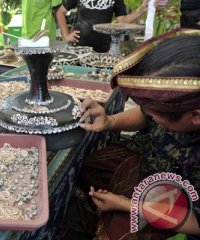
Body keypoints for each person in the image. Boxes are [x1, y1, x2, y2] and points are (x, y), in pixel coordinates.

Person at [72, 30, 200, 239]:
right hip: (149, 161)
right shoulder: (183, 105)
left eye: (154, 112)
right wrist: (111, 121)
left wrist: (126, 205)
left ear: (195, 116)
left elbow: (195, 222)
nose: (148, 113)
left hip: (178, 206)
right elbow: (144, 114)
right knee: (87, 165)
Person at [55, 0, 168, 52]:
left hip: (104, 46)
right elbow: (60, 12)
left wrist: (141, 10)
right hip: (79, 46)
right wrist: (66, 35)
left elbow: (122, 20)